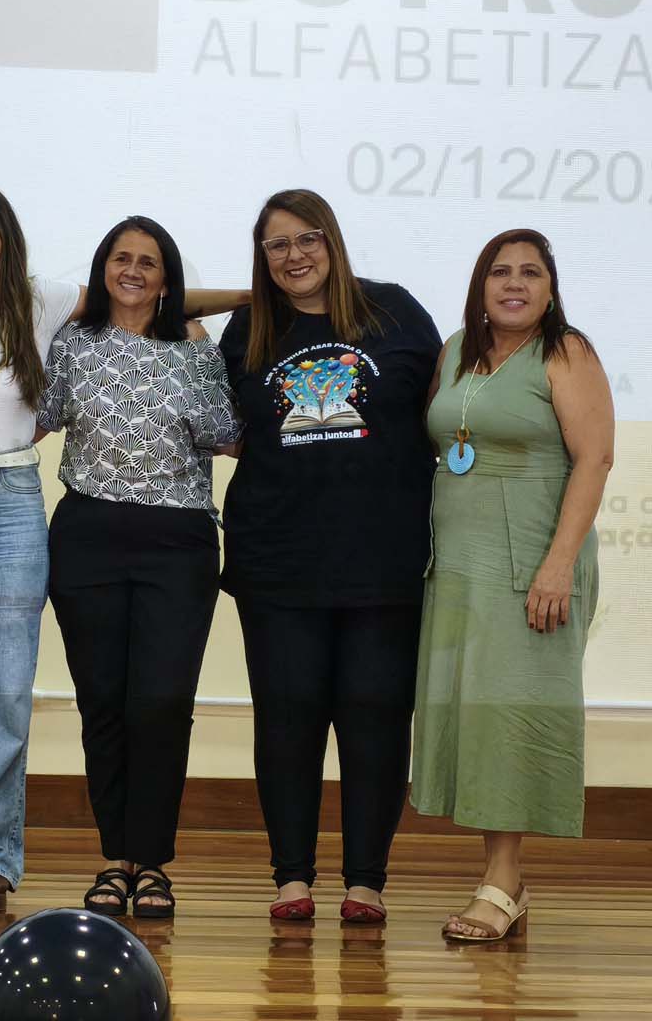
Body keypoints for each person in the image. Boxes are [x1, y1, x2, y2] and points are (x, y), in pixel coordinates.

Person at [0, 181, 246, 915]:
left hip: (23, 504)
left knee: (11, 696)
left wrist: (255, 295)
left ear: (8, 235)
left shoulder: (43, 302)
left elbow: (147, 300)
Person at [218, 189, 442, 924]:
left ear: (332, 241)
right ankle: (291, 879)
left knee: (377, 719)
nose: (295, 255)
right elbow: (231, 429)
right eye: (277, 245)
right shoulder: (248, 328)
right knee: (288, 722)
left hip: (384, 564)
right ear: (262, 257)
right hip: (277, 562)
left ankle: (366, 882)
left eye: (308, 238)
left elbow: (442, 412)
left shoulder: (394, 312)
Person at [409, 228, 613, 943]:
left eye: (531, 272)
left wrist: (557, 566)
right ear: (481, 285)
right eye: (501, 271)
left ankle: (503, 880)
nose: (515, 283)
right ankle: (505, 879)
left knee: (510, 712)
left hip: (531, 557)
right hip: (459, 562)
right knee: (475, 712)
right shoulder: (456, 350)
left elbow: (595, 459)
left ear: (551, 290)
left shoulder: (567, 352)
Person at [36, 217, 241, 919]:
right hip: (87, 537)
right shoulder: (73, 340)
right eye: (120, 258)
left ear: (166, 278)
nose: (132, 270)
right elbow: (38, 416)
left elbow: (225, 434)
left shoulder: (195, 346)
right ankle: (115, 859)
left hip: (177, 543)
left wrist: (198, 348)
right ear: (103, 269)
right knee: (103, 702)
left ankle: (151, 860)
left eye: (148, 262)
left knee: (161, 703)